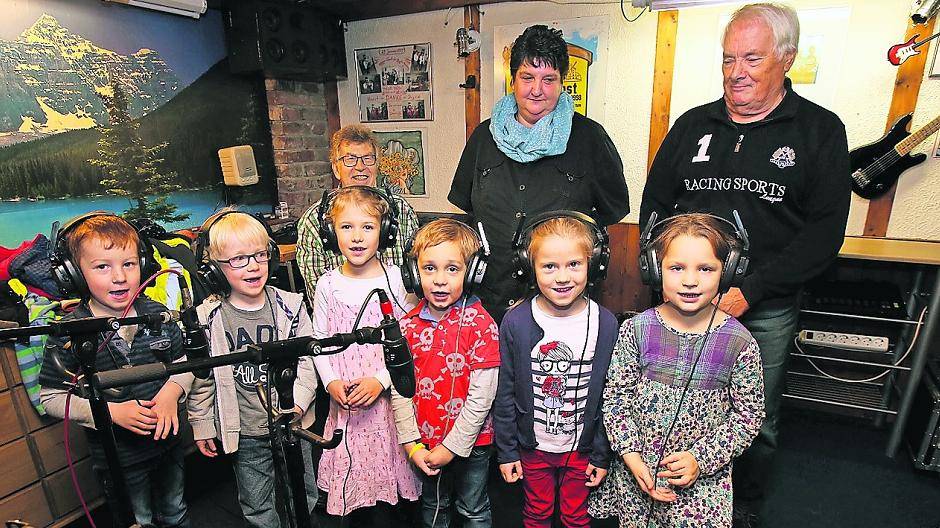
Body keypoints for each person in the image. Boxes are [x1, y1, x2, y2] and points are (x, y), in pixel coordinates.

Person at [638, 4, 850, 525]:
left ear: (788, 59)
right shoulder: (692, 125)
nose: (738, 72)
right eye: (729, 59)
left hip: (762, 308)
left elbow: (823, 236)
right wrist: (661, 273)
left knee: (753, 417)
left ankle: (744, 505)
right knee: (666, 401)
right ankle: (664, 492)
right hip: (680, 300)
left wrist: (748, 291)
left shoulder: (820, 131)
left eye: (753, 59)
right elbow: (656, 205)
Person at [589, 213, 765, 528]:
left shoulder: (740, 343)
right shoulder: (635, 330)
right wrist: (629, 455)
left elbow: (748, 417)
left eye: (706, 269)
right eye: (677, 268)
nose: (690, 280)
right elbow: (615, 399)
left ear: (729, 274)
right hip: (637, 471)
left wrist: (701, 459)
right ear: (654, 270)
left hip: (701, 480)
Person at [449, 24, 629, 323]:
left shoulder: (590, 138)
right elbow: (470, 207)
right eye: (527, 77)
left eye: (548, 79)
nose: (536, 89)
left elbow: (612, 210)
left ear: (562, 83)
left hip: (562, 305)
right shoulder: (484, 137)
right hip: (489, 301)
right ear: (512, 79)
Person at [38, 212, 193, 527]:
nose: (120, 277)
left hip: (170, 446)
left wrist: (171, 393)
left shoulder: (157, 314)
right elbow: (51, 396)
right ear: (74, 275)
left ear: (143, 265)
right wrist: (111, 413)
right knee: (139, 520)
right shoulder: (71, 332)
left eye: (129, 264)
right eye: (102, 267)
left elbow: (186, 364)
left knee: (175, 511)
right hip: (120, 459)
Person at [186, 211, 318, 528]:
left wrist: (297, 402)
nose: (253, 265)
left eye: (260, 255)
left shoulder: (290, 306)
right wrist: (203, 423)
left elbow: (308, 360)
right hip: (245, 431)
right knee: (257, 504)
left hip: (293, 423)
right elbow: (203, 376)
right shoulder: (209, 318)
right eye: (239, 259)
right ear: (213, 270)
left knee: (303, 493)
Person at [494, 213, 616, 528]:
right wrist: (507, 451)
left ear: (594, 264)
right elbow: (504, 392)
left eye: (574, 264)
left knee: (576, 517)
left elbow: (611, 396)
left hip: (582, 449)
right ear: (528, 268)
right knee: (536, 514)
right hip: (532, 448)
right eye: (549, 266)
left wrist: (601, 455)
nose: (562, 277)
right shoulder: (516, 321)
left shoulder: (605, 323)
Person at [311, 186, 420, 525]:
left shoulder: (397, 283)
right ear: (331, 233)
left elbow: (411, 340)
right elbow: (318, 342)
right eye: (346, 227)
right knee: (353, 499)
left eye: (368, 227)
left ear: (385, 232)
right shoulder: (327, 284)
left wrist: (380, 381)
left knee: (388, 508)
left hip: (386, 406)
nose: (357, 237)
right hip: (344, 405)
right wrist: (330, 383)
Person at [395, 219, 501, 528]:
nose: (440, 280)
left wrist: (451, 447)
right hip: (423, 444)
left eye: (452, 269)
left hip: (473, 442)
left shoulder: (482, 325)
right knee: (434, 507)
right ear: (414, 273)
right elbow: (399, 389)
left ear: (472, 274)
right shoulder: (406, 326)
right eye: (429, 269)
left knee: (472, 510)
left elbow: (482, 398)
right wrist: (410, 443)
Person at [297, 124, 419, 296]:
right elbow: (317, 293)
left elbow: (416, 274)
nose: (360, 166)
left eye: (368, 158)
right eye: (350, 159)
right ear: (335, 169)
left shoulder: (401, 209)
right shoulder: (314, 219)